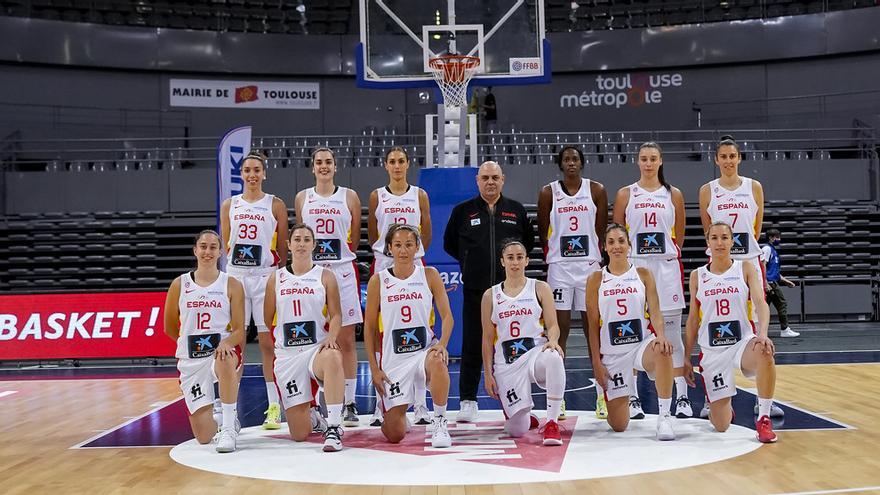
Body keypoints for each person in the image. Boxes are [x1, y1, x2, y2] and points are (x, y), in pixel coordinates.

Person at [443, 161, 534, 423]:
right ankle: (468, 400)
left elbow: (525, 243)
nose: (490, 182)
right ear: (477, 181)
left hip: (510, 293)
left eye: (495, 177)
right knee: (472, 343)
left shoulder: (515, 210)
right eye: (485, 177)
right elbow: (450, 243)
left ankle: (514, 399)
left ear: (503, 179)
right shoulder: (463, 211)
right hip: (475, 289)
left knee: (511, 346)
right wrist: (470, 260)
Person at [611, 142, 691, 419]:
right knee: (632, 333)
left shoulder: (674, 194)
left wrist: (665, 253)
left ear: (660, 161)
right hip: (636, 269)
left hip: (666, 270)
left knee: (671, 335)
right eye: (644, 159)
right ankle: (632, 397)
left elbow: (678, 235)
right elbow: (618, 233)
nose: (648, 163)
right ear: (637, 162)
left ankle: (682, 397)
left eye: (653, 158)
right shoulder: (625, 194)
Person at [684, 222, 779, 444]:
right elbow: (692, 320)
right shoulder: (698, 276)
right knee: (721, 425)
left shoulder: (745, 268)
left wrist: (763, 333)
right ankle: (724, 404)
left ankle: (764, 418)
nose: (719, 242)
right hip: (712, 351)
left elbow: (760, 303)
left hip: (741, 342)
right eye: (714, 238)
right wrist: (687, 357)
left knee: (764, 352)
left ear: (732, 241)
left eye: (724, 237)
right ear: (708, 242)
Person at [364, 224, 455, 448]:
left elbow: (448, 317)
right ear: (389, 248)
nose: (403, 250)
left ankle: (440, 422)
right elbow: (369, 327)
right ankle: (398, 415)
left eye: (408, 245)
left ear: (417, 248)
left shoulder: (429, 275)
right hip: (394, 360)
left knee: (438, 361)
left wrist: (442, 344)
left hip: (423, 352)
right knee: (394, 434)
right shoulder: (379, 280)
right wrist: (374, 368)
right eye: (398, 245)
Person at [585, 224, 676, 440]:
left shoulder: (643, 274)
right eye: (611, 242)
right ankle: (621, 398)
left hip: (640, 345)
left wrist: (661, 336)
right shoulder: (596, 279)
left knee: (663, 350)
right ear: (605, 248)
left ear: (629, 245)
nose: (617, 246)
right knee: (618, 425)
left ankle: (664, 417)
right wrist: (597, 363)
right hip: (613, 354)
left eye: (621, 241)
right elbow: (592, 325)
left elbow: (655, 312)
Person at [537, 145, 608, 421]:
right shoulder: (547, 193)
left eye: (575, 159)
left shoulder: (597, 190)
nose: (571, 163)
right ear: (560, 164)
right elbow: (543, 232)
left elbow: (600, 230)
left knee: (594, 330)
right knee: (560, 332)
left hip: (589, 267)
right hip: (560, 269)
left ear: (582, 163)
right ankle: (559, 399)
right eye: (566, 159)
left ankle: (603, 396)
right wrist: (557, 254)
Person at [219, 151, 289, 430]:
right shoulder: (230, 205)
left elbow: (282, 245)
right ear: (241, 173)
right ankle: (229, 413)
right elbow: (226, 242)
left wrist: (275, 273)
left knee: (266, 343)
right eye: (247, 170)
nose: (252, 174)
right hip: (236, 277)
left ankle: (273, 407)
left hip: (264, 277)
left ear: (264, 173)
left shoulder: (276, 204)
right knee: (234, 345)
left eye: (257, 170)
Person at [295, 147, 364, 427]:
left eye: (328, 162)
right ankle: (315, 402)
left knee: (345, 340)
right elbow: (300, 237)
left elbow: (355, 240)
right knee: (312, 339)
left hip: (342, 272)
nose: (324, 166)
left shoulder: (349, 196)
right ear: (312, 168)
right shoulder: (303, 197)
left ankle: (349, 402)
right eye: (319, 162)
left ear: (336, 167)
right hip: (313, 275)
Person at [698, 135, 765, 419]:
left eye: (732, 156)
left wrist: (743, 256)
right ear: (716, 159)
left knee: (757, 327)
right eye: (723, 156)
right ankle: (711, 393)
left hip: (747, 260)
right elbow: (707, 229)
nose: (727, 161)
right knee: (714, 323)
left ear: (739, 158)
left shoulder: (754, 187)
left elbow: (756, 229)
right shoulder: (707, 190)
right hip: (719, 260)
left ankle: (762, 400)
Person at [263, 224, 346, 452]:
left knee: (333, 357)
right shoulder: (275, 279)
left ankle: (334, 426)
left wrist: (331, 336)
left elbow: (337, 314)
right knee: (299, 434)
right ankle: (313, 414)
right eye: (297, 239)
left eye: (307, 239)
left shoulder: (325, 276)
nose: (301, 243)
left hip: (315, 350)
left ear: (314, 245)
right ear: (288, 245)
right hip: (288, 355)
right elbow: (268, 318)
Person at [367, 146, 433, 426]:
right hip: (385, 265)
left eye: (401, 161)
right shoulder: (376, 196)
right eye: (392, 161)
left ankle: (420, 405)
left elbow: (426, 231)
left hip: (414, 265)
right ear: (385, 165)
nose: (397, 166)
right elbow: (373, 232)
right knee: (385, 334)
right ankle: (382, 404)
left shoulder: (419, 195)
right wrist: (390, 255)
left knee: (420, 330)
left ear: (408, 164)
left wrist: (413, 255)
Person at [163, 230, 245, 453]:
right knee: (203, 436)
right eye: (203, 246)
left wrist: (227, 343)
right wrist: (191, 345)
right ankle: (220, 418)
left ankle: (228, 427)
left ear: (220, 252)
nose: (207, 251)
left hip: (220, 353)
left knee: (225, 357)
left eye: (212, 247)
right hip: (191, 361)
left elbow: (239, 330)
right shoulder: (179, 285)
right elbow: (170, 328)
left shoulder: (232, 284)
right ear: (195, 250)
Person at [481, 240, 567, 446]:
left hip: (534, 355)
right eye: (510, 258)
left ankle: (552, 423)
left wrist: (553, 340)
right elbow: (486, 338)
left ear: (527, 261)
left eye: (520, 257)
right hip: (507, 363)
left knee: (554, 356)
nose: (515, 262)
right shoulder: (490, 295)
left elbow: (553, 325)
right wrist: (488, 374)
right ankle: (522, 417)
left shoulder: (540, 288)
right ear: (502, 261)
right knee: (517, 431)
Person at [761, 229, 799, 338]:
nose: (779, 239)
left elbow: (774, 272)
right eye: (777, 237)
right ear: (771, 238)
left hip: (771, 281)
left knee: (764, 308)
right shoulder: (767, 249)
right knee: (781, 304)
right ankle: (785, 329)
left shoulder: (772, 250)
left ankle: (759, 330)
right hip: (770, 283)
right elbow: (762, 266)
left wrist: (787, 282)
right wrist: (765, 283)